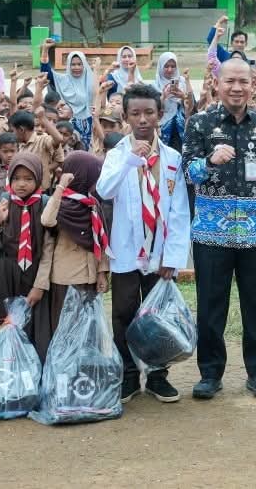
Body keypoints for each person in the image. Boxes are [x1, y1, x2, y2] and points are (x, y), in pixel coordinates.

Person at [182, 58, 256, 400]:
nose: (237, 88)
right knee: (211, 306)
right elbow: (187, 173)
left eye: (243, 81)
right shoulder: (199, 123)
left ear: (253, 83)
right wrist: (209, 161)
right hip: (212, 232)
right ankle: (210, 374)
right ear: (217, 81)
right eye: (230, 81)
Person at [97, 84, 192, 404]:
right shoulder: (116, 155)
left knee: (157, 315)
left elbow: (179, 211)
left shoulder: (172, 158)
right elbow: (104, 190)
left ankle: (156, 374)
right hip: (126, 250)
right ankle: (127, 375)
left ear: (160, 116)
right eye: (135, 113)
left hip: (159, 251)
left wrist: (174, 256)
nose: (142, 120)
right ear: (124, 117)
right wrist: (129, 162)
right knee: (123, 312)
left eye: (149, 113)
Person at [0, 152, 50, 349]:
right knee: (1, 327)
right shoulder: (1, 202)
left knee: (32, 330)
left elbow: (49, 249)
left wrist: (40, 286)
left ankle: (29, 374)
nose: (21, 184)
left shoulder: (45, 205)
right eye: (16, 178)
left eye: (28, 179)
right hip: (3, 275)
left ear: (39, 178)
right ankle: (0, 372)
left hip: (33, 277)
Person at [38, 152, 111, 353]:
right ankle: (62, 378)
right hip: (66, 280)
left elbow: (101, 240)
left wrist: (102, 272)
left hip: (89, 279)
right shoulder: (61, 203)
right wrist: (60, 187)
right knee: (66, 332)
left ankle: (84, 376)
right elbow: (47, 220)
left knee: (88, 333)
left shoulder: (92, 204)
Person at [41, 40, 96, 150]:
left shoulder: (90, 81)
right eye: (73, 64)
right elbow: (46, 73)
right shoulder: (62, 80)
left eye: (79, 64)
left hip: (88, 124)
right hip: (64, 126)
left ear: (84, 65)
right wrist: (45, 50)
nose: (76, 67)